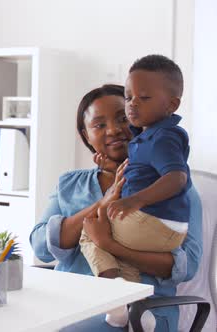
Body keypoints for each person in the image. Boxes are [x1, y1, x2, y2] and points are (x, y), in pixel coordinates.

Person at [29, 84, 202, 332]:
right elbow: (40, 247)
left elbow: (188, 267)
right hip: (70, 303)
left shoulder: (174, 189)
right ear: (85, 135)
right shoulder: (70, 183)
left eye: (123, 118)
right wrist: (103, 203)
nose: (114, 130)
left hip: (140, 314)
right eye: (99, 125)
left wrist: (111, 246)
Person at [79, 55, 192, 328]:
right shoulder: (147, 138)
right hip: (155, 228)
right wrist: (110, 169)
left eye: (143, 98)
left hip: (154, 223)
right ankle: (134, 311)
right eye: (129, 98)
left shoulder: (163, 137)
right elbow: (42, 246)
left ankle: (116, 302)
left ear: (171, 104)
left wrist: (134, 201)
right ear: (85, 135)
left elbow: (177, 177)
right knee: (124, 268)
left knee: (89, 231)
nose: (132, 107)